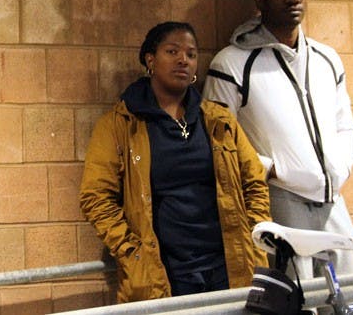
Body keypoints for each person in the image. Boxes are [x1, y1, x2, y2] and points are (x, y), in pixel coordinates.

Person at [203, 0, 353, 280]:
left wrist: (340, 167)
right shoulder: (232, 63)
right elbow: (217, 140)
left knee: (352, 290)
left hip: (333, 199)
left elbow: (344, 123)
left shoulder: (327, 58)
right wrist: (273, 170)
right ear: (260, 1)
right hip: (280, 199)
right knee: (297, 294)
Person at [80, 21, 270, 303]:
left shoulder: (217, 120)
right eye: (172, 51)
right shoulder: (120, 125)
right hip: (164, 273)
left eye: (191, 54)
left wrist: (254, 230)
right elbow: (95, 198)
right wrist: (133, 251)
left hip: (228, 267)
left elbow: (253, 179)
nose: (184, 60)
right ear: (150, 60)